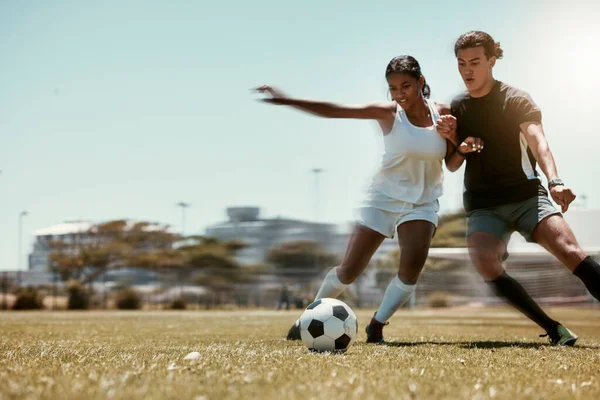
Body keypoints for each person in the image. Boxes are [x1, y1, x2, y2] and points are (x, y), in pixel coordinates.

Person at [255, 55, 459, 343]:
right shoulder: (389, 113)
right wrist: (289, 101)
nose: (399, 94)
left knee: (411, 269)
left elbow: (452, 161)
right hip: (383, 199)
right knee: (349, 271)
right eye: (393, 88)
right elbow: (335, 110)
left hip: (422, 203)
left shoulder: (445, 113)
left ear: (420, 83)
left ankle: (376, 325)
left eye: (406, 87)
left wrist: (453, 137)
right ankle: (306, 319)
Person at [437, 31, 600, 346]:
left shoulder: (516, 99)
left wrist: (555, 181)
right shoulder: (459, 105)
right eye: (461, 64)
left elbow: (540, 141)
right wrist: (458, 142)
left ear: (492, 61)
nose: (467, 70)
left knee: (571, 252)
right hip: (484, 205)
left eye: (474, 62)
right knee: (485, 262)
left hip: (527, 197)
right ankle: (554, 330)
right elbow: (453, 164)